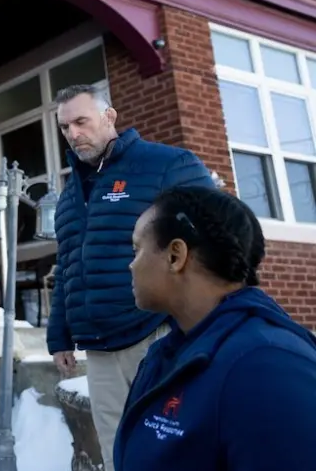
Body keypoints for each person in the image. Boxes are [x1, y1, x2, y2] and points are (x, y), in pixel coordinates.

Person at [46, 84, 215, 471]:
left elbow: (215, 236)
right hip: (100, 348)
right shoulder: (71, 194)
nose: (73, 134)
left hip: (156, 334)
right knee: (117, 450)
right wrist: (60, 336)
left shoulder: (165, 165)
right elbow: (69, 265)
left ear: (110, 116)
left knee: (173, 446)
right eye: (65, 126)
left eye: (81, 121)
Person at [115, 186, 316, 470]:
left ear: (175, 255)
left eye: (137, 249)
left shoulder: (266, 366)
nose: (131, 265)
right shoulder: (166, 354)